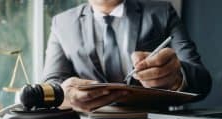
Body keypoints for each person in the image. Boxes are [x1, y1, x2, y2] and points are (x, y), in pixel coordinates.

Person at [42, 0, 212, 112]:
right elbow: (51, 83)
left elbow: (202, 81)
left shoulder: (162, 12)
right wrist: (65, 95)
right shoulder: (61, 23)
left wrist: (176, 77)